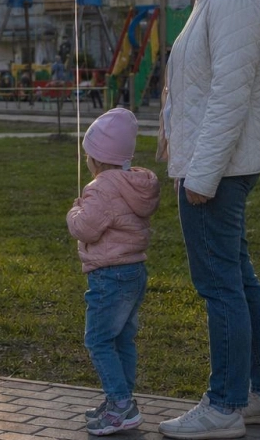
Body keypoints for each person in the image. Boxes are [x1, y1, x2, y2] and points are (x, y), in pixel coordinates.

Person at [156, 0, 260, 439]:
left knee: (221, 288)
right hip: (214, 165)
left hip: (218, 170)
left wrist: (202, 177)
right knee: (237, 280)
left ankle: (224, 406)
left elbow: (228, 100)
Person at [67, 108, 160, 436]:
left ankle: (120, 405)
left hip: (108, 275)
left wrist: (74, 210)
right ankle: (122, 399)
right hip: (134, 270)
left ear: (96, 159)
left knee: (98, 339)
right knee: (122, 338)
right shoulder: (134, 183)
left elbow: (86, 229)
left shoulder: (102, 188)